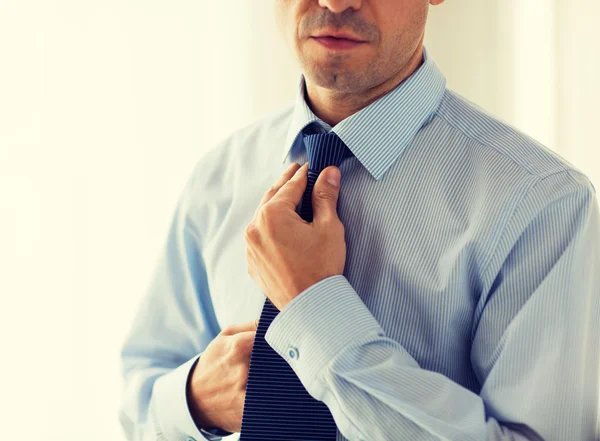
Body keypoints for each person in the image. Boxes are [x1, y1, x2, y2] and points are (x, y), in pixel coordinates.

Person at [119, 1, 600, 440]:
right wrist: (194, 400)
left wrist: (312, 306)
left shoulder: (542, 204)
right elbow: (138, 404)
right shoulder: (220, 175)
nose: (334, 2)